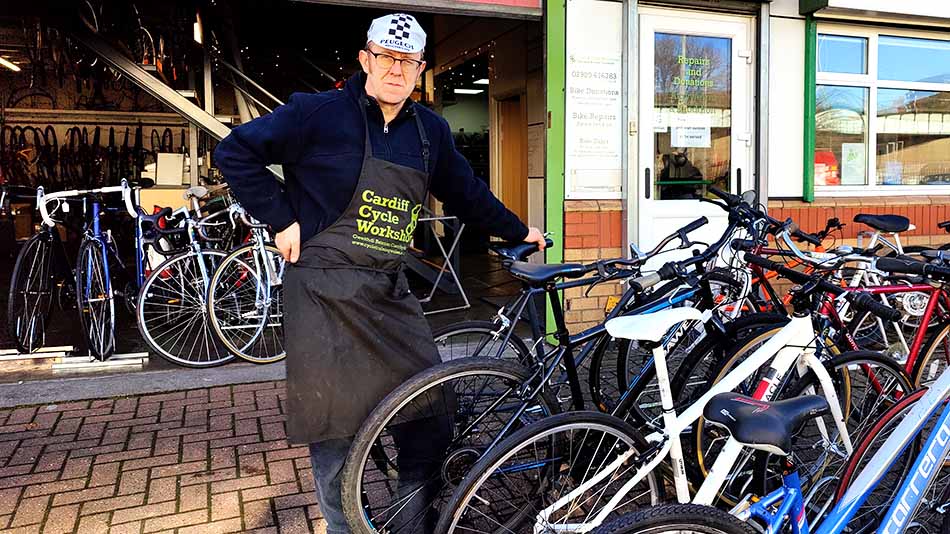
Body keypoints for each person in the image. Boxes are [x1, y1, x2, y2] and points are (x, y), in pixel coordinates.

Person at [213, 13, 545, 534]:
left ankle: (410, 522)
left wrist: (519, 229)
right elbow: (234, 151)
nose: (396, 69)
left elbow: (466, 191)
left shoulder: (430, 130)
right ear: (366, 59)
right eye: (387, 58)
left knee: (431, 414)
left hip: (388, 291)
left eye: (407, 61)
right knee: (336, 433)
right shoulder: (315, 114)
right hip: (321, 290)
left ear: (418, 71)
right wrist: (280, 217)